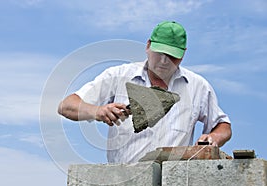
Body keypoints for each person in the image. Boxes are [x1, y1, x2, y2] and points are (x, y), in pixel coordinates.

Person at [58, 21, 232, 163]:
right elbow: (67, 106)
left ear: (183, 54)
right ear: (148, 46)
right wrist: (97, 111)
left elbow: (223, 126)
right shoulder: (118, 76)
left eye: (172, 56)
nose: (164, 61)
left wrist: (213, 138)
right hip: (123, 185)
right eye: (160, 53)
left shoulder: (197, 86)